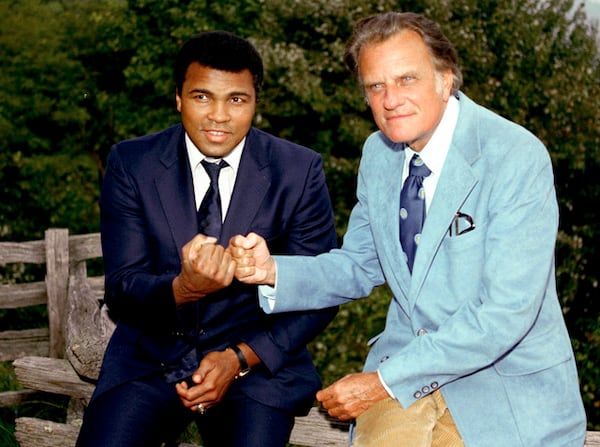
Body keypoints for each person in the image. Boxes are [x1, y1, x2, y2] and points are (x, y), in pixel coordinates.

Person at [229, 11, 587, 447]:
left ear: (445, 78)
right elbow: (360, 264)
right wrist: (272, 271)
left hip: (501, 383)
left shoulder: (516, 156)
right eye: (375, 86)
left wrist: (381, 382)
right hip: (406, 375)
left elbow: (504, 314)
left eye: (406, 79)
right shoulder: (379, 154)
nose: (390, 99)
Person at [75, 30, 338, 447]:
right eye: (202, 97)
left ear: (255, 102)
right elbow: (122, 289)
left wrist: (239, 358)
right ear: (178, 97)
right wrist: (182, 288)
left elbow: (321, 291)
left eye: (236, 99)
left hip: (256, 365)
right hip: (151, 359)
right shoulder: (132, 163)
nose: (219, 115)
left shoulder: (298, 170)